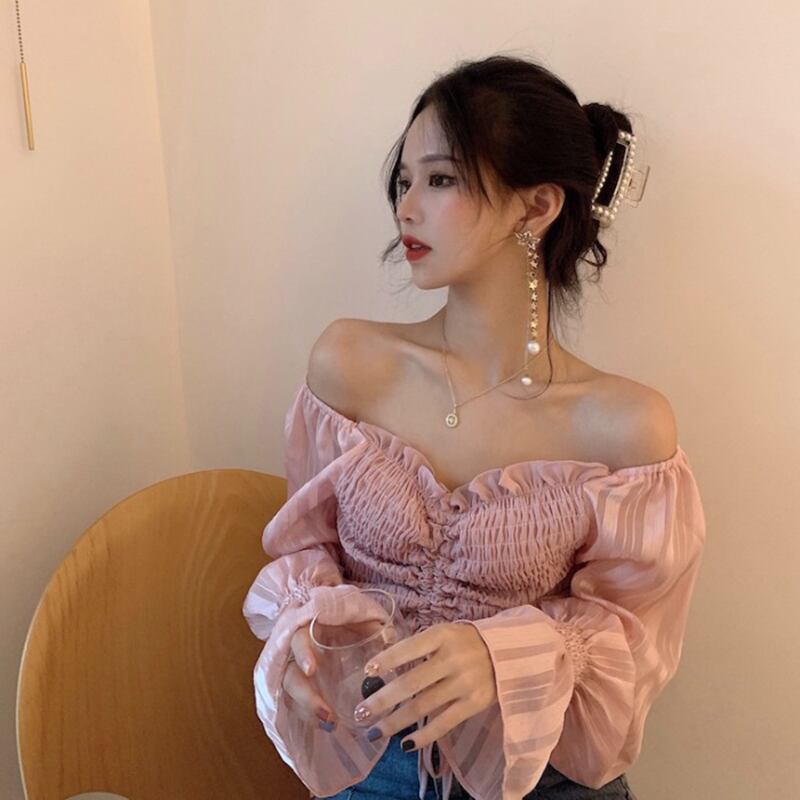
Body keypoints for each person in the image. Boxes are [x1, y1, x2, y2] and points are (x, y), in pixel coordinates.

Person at [242, 54, 706, 800]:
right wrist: (300, 633)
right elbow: (306, 546)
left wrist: (504, 656)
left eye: (441, 179)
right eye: (404, 181)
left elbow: (634, 643)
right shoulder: (350, 364)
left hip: (540, 777)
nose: (406, 207)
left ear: (536, 207)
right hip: (363, 764)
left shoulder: (624, 429)